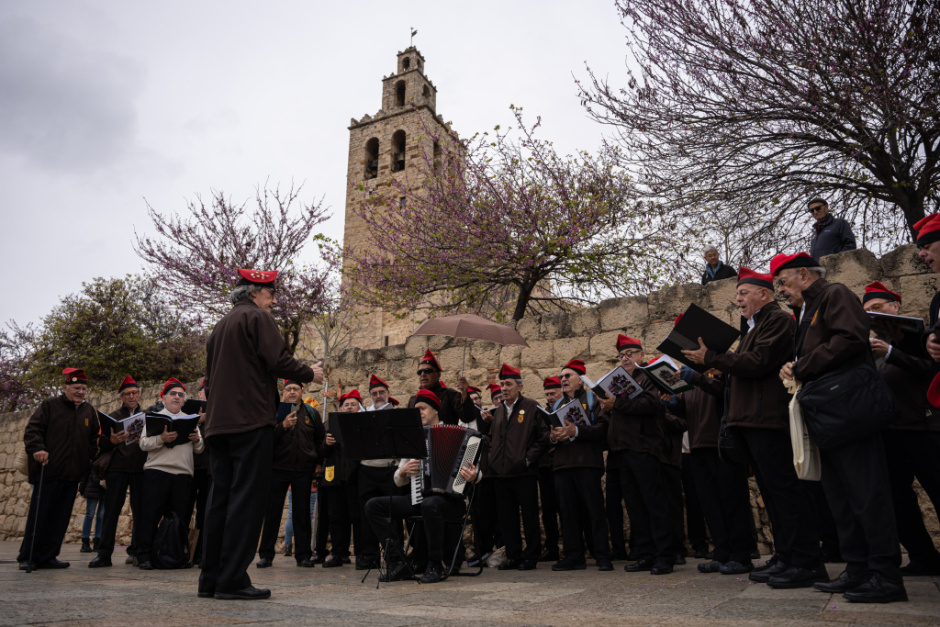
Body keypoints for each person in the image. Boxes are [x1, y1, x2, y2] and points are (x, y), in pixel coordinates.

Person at [682, 266, 824, 588]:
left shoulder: (777, 320)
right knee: (773, 494)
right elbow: (737, 376)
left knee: (786, 492)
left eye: (744, 293)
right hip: (752, 422)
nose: (738, 299)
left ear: (765, 294)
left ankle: (806, 561)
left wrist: (713, 358)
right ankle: (786, 556)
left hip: (769, 420)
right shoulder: (751, 327)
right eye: (737, 294)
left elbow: (758, 362)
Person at [776, 252, 905, 603]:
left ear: (803, 274)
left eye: (783, 282)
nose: (782, 290)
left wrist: (802, 366)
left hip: (850, 411)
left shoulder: (834, 294)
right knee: (841, 498)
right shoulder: (806, 310)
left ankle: (886, 574)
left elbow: (849, 338)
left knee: (867, 494)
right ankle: (858, 567)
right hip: (829, 416)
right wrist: (795, 366)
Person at [199, 268, 320, 601]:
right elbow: (278, 360)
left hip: (219, 427)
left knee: (219, 502)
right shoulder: (257, 318)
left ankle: (210, 579)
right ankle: (233, 580)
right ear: (253, 293)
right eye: (269, 293)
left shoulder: (220, 327)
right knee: (246, 502)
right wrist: (311, 372)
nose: (273, 300)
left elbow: (209, 381)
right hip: (250, 422)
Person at [862, 281, 940, 576]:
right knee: (896, 496)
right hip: (891, 431)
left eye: (878, 308)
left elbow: (928, 370)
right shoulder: (874, 348)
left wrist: (892, 352)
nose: (874, 315)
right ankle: (923, 556)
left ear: (896, 308)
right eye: (868, 312)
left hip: (923, 427)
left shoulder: (922, 338)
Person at [364, 389, 481, 584]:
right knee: (373, 505)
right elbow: (397, 479)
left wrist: (473, 476)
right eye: (416, 409)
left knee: (431, 505)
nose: (419, 413)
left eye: (422, 408)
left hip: (451, 501)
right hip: (419, 499)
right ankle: (398, 561)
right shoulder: (413, 437)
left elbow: (477, 471)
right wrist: (403, 472)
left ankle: (434, 564)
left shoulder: (462, 434)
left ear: (435, 410)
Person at [599, 336, 674, 575]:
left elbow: (652, 405)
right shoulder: (617, 383)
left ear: (642, 355)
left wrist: (616, 406)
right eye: (622, 355)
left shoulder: (650, 377)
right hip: (622, 451)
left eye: (631, 353)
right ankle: (646, 553)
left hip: (644, 448)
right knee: (634, 506)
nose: (626, 358)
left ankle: (664, 556)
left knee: (654, 504)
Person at [671, 367, 756, 574]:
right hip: (698, 446)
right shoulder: (690, 381)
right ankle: (722, 552)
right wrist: (672, 403)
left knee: (732, 500)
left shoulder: (721, 368)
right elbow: (688, 410)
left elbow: (726, 393)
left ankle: (741, 555)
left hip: (722, 445)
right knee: (710, 504)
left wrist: (698, 377)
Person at [19, 367, 99, 570]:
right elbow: (33, 430)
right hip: (48, 471)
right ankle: (28, 556)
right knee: (40, 516)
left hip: (72, 475)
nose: (80, 392)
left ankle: (49, 556)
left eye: (83, 388)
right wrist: (38, 448)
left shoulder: (89, 411)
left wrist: (97, 451)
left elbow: (94, 440)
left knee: (60, 518)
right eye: (76, 388)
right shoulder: (49, 405)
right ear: (65, 387)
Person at [256, 379, 330, 568]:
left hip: (303, 471)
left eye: (295, 389)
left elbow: (320, 439)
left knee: (302, 513)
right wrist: (283, 426)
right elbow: (265, 440)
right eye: (288, 389)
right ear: (284, 392)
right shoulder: (275, 412)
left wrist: (318, 463)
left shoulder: (311, 413)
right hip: (278, 469)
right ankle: (266, 554)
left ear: (301, 391)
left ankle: (303, 555)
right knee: (272, 512)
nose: (291, 392)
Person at [548, 360, 612, 572]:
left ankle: (602, 555)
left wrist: (576, 431)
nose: (563, 380)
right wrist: (553, 436)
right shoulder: (556, 405)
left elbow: (603, 429)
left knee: (594, 511)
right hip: (562, 465)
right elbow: (545, 436)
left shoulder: (593, 398)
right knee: (567, 513)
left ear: (580, 379)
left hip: (588, 463)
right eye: (562, 377)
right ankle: (573, 555)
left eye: (568, 376)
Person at [486, 364, 550, 570]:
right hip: (501, 474)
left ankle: (531, 556)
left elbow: (543, 437)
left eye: (508, 384)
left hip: (524, 473)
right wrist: (492, 459)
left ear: (519, 387)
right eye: (502, 384)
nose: (504, 388)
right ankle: (513, 555)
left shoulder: (531, 407)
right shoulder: (497, 412)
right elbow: (492, 439)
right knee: (506, 518)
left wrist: (528, 459)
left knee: (529, 515)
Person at [136, 378, 205, 570]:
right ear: (164, 398)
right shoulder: (153, 417)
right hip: (157, 472)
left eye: (180, 395)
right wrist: (161, 438)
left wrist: (197, 438)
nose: (177, 397)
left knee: (179, 518)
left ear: (184, 400)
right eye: (173, 394)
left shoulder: (190, 419)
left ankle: (175, 556)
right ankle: (144, 556)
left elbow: (199, 449)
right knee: (150, 516)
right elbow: (143, 444)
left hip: (182, 475)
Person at [90, 375, 146, 568]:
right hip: (117, 469)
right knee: (111, 511)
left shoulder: (147, 416)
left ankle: (138, 552)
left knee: (140, 512)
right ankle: (104, 554)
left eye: (134, 393)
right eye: (127, 394)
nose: (131, 396)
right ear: (121, 397)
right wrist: (112, 441)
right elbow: (101, 443)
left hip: (140, 469)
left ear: (138, 394)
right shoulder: (112, 417)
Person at [355, 375, 402, 570]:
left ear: (388, 394)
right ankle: (369, 555)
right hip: (367, 470)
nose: (378, 396)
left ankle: (395, 556)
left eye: (381, 392)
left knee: (392, 513)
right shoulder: (362, 414)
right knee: (366, 514)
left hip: (388, 469)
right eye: (374, 393)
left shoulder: (396, 414)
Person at [321, 389, 361, 568]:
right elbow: (320, 452)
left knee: (357, 516)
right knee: (336, 517)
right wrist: (326, 444)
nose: (350, 407)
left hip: (356, 478)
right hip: (335, 478)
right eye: (347, 405)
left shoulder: (363, 423)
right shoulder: (330, 424)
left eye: (353, 404)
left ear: (359, 407)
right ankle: (338, 553)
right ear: (341, 408)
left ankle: (361, 554)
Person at [407, 350, 475, 425]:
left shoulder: (450, 395)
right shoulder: (413, 400)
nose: (423, 374)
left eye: (427, 371)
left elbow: (468, 417)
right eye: (420, 372)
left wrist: (465, 394)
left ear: (438, 375)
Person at [538, 376, 562, 563]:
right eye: (547, 394)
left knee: (567, 508)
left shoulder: (566, 408)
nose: (550, 397)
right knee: (548, 510)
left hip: (562, 465)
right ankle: (551, 547)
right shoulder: (543, 413)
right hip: (546, 466)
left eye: (553, 393)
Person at [79, 469, 105, 553]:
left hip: (105, 488)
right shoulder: (93, 458)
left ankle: (98, 540)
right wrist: (82, 488)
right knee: (90, 514)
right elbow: (85, 473)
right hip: (93, 486)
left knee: (101, 516)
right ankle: (85, 541)